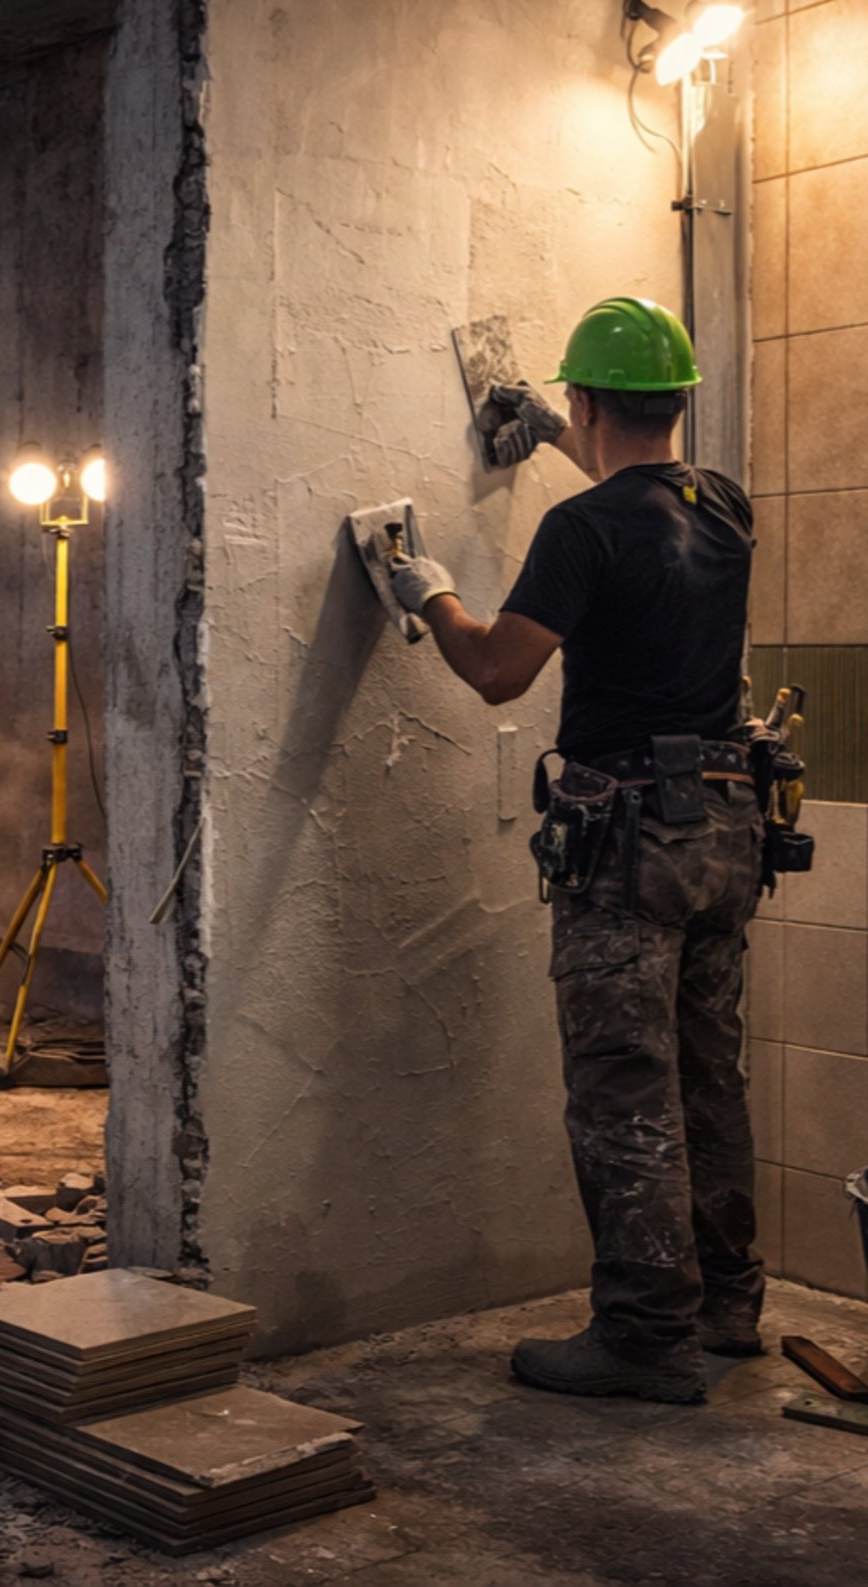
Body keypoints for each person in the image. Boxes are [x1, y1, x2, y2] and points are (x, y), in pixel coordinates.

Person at [390, 297, 762, 1404]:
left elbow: (502, 670)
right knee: (708, 1073)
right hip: (727, 829)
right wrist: (557, 432)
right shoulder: (729, 506)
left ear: (592, 400)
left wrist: (433, 594)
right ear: (680, 404)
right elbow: (637, 515)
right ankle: (729, 1304)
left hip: (630, 839)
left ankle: (645, 1336)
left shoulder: (582, 532)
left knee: (620, 1085)